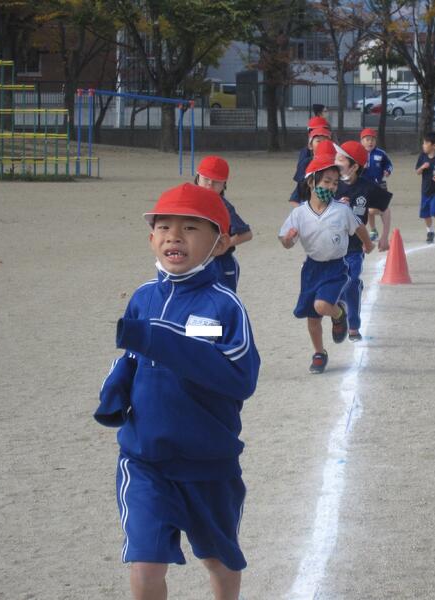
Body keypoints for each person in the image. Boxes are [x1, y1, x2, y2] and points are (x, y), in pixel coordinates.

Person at [94, 182, 260, 600]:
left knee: (219, 560)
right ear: (151, 239)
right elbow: (134, 357)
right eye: (164, 227)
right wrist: (117, 386)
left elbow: (239, 377)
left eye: (190, 228)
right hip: (144, 459)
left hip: (208, 462)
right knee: (145, 560)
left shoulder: (223, 306)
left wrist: (160, 339)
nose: (174, 236)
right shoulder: (142, 298)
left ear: (219, 243)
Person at [278, 154, 374, 373]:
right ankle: (319, 352)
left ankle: (339, 314)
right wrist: (288, 239)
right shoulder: (299, 214)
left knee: (321, 306)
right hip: (312, 269)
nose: (331, 187)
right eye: (326, 181)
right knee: (312, 318)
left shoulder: (341, 210)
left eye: (335, 183)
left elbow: (358, 227)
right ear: (311, 182)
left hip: (335, 267)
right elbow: (286, 242)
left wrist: (367, 244)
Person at [334, 140, 392, 341]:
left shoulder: (367, 187)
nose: (336, 162)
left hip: (354, 248)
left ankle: (353, 326)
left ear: (354, 166)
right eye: (336, 157)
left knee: (350, 282)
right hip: (331, 248)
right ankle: (339, 311)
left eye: (341, 159)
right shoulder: (330, 183)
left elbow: (385, 209)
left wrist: (384, 236)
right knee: (337, 285)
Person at [195, 155, 252, 291]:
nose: (210, 184)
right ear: (198, 177)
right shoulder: (189, 202)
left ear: (224, 184)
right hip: (196, 261)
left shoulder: (224, 207)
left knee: (222, 301)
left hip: (221, 264)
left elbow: (246, 234)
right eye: (206, 178)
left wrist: (220, 246)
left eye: (216, 181)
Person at [360, 127, 393, 241]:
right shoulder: (358, 153)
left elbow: (389, 164)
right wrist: (361, 167)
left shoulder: (381, 153)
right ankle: (373, 230)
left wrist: (387, 170)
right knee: (368, 209)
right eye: (367, 139)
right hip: (363, 186)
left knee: (376, 209)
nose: (370, 142)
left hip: (378, 185)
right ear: (361, 141)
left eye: (373, 139)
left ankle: (385, 232)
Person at [289, 127, 332, 207]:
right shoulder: (306, 163)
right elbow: (299, 190)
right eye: (318, 141)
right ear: (310, 145)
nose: (322, 144)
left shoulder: (334, 166)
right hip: (306, 202)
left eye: (326, 141)